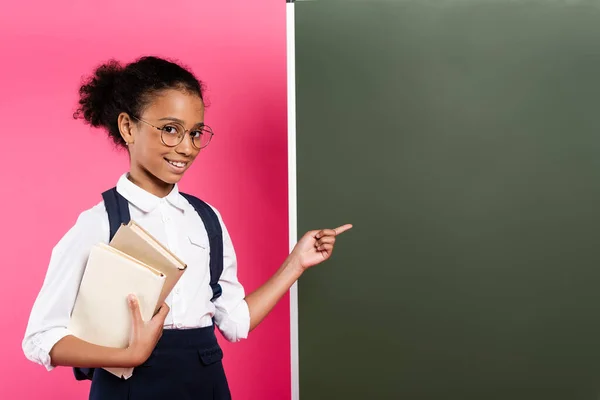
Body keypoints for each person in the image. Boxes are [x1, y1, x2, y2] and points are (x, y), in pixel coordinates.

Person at [21, 55, 352, 400]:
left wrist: (295, 263)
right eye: (170, 129)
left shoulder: (206, 219)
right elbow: (41, 338)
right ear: (128, 127)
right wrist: (127, 356)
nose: (186, 147)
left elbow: (235, 323)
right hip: (129, 387)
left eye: (195, 133)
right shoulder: (98, 222)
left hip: (205, 380)